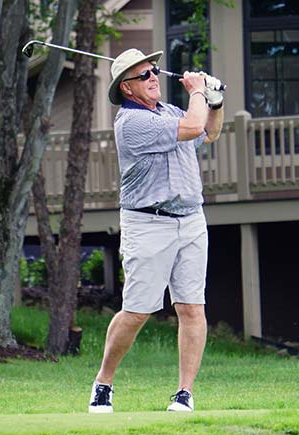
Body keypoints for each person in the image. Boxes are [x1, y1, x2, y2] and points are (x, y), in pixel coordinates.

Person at [88, 48, 224, 413]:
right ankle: (103, 382)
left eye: (153, 71)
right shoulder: (130, 122)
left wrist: (216, 98)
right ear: (127, 89)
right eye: (143, 75)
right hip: (148, 222)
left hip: (191, 220)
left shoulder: (168, 112)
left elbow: (209, 130)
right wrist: (197, 91)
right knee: (137, 310)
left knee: (193, 308)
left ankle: (185, 393)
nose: (153, 78)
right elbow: (194, 126)